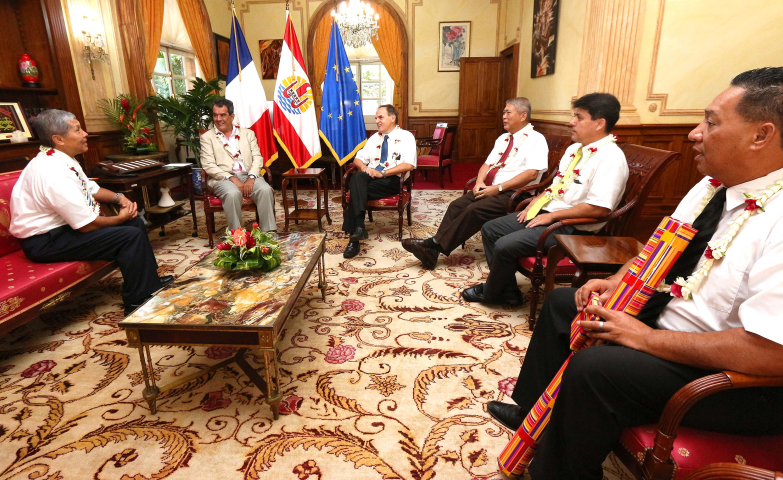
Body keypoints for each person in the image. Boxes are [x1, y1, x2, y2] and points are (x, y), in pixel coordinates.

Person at [487, 68, 783, 480]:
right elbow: (659, 250)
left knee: (596, 369)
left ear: (761, 135)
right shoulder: (712, 186)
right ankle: (533, 416)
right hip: (666, 322)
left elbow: (771, 351)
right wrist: (616, 281)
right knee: (561, 303)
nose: (695, 133)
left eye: (711, 122)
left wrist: (645, 338)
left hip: (731, 375)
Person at [462, 93, 628, 305]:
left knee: (505, 245)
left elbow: (599, 209)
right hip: (550, 212)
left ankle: (492, 292)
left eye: (579, 117)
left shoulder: (610, 158)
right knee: (491, 229)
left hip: (574, 226)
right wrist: (537, 200)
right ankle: (507, 290)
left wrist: (552, 217)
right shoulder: (575, 149)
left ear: (600, 123)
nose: (571, 122)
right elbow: (558, 185)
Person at [9, 109, 173, 315]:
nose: (85, 133)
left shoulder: (61, 159)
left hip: (63, 230)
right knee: (129, 235)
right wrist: (118, 217)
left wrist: (119, 198)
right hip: (45, 242)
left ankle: (150, 283)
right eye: (78, 130)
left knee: (134, 223)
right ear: (58, 138)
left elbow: (92, 189)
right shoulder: (52, 172)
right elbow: (87, 226)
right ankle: (137, 301)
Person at [402, 97, 548, 269]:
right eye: (503, 112)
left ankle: (433, 246)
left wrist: (498, 188)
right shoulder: (504, 139)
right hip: (491, 187)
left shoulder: (536, 140)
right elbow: (487, 164)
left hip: (514, 193)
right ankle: (433, 250)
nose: (504, 116)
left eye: (508, 112)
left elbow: (531, 174)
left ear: (523, 116)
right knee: (456, 205)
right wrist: (479, 181)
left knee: (474, 209)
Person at [342, 105, 417, 259]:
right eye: (376, 118)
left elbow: (409, 165)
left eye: (380, 117)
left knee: (357, 190)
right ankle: (359, 228)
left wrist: (382, 172)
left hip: (393, 179)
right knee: (357, 177)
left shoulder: (406, 137)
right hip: (372, 176)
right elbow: (358, 158)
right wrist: (364, 167)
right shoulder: (374, 138)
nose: (377, 121)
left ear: (392, 118)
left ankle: (354, 240)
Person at [200, 98, 275, 232]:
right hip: (221, 178)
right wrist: (231, 178)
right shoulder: (207, 137)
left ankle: (268, 233)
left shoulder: (248, 134)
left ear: (231, 116)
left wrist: (252, 177)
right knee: (232, 193)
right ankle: (237, 236)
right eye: (215, 115)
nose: (218, 119)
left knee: (265, 190)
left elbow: (257, 157)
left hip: (248, 174)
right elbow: (208, 165)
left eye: (222, 115)